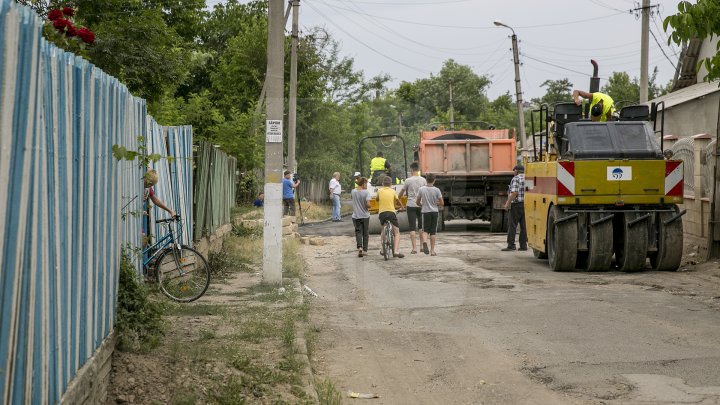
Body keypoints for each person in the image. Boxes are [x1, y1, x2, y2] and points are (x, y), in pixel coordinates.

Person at [398, 162, 426, 254]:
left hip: (411, 205)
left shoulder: (408, 180)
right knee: (421, 227)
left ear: (411, 170)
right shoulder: (423, 180)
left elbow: (402, 192)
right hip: (421, 205)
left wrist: (398, 198)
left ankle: (414, 249)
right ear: (418, 170)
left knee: (412, 227)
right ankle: (422, 247)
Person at [376, 175, 405, 258]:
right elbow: (397, 200)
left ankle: (382, 249)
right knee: (397, 232)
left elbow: (377, 199)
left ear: (382, 183)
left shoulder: (379, 191)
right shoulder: (393, 191)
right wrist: (402, 208)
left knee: (382, 230)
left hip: (382, 213)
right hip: (391, 213)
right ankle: (395, 251)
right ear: (391, 184)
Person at [416, 173, 443, 256]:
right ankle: (432, 251)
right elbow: (442, 203)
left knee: (425, 230)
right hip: (434, 212)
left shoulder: (421, 189)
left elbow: (417, 202)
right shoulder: (437, 190)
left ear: (426, 180)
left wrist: (421, 205)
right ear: (434, 180)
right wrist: (437, 203)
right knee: (433, 232)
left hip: (425, 212)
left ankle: (424, 242)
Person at [502, 165, 527, 251]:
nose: (513, 172)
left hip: (516, 205)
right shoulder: (528, 177)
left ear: (516, 171)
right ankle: (523, 246)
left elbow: (514, 193)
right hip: (526, 204)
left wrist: (507, 204)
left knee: (512, 225)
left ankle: (511, 245)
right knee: (524, 226)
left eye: (514, 171)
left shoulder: (516, 178)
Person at [351, 177, 371, 257]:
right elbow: (368, 205)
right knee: (365, 233)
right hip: (365, 216)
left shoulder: (353, 191)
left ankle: (360, 247)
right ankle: (365, 250)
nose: (367, 185)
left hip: (356, 216)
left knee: (358, 232)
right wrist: (368, 206)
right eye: (366, 183)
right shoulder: (366, 192)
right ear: (363, 184)